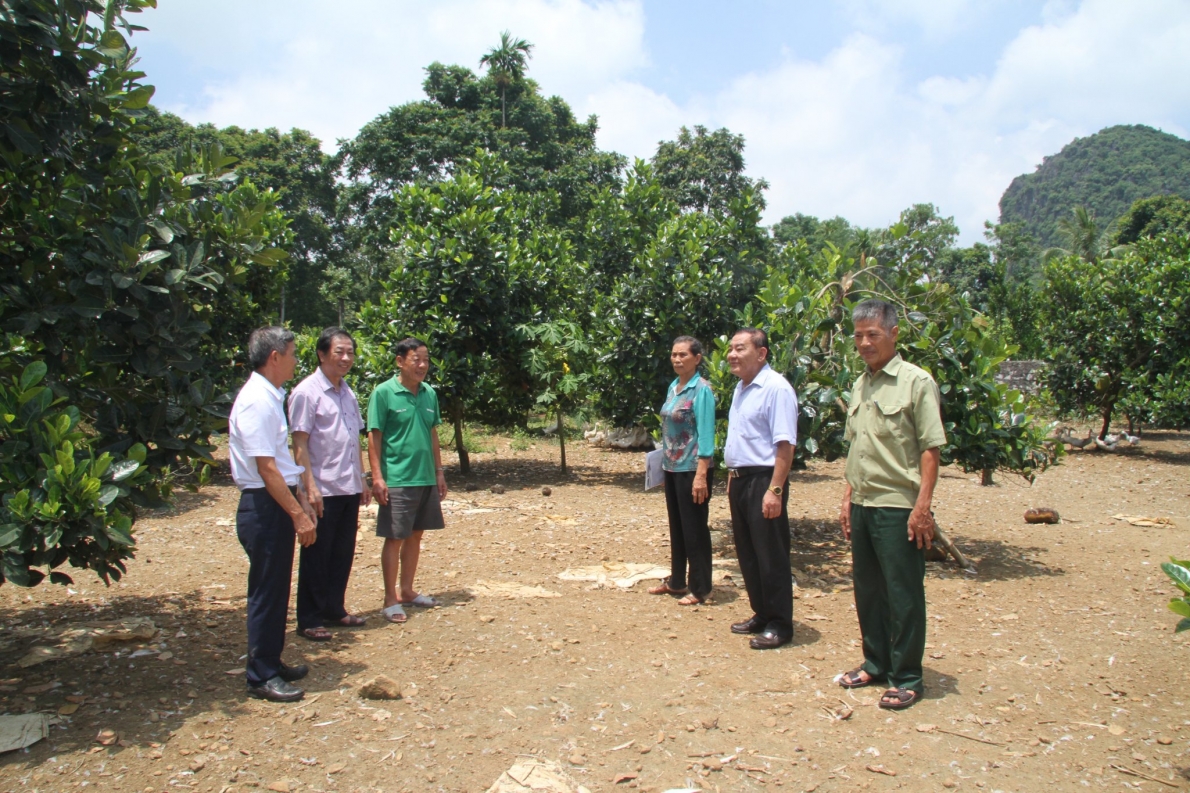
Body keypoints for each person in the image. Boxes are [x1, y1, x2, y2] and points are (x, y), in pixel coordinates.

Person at [837, 299, 947, 710]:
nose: (864, 344)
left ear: (894, 334)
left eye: (873, 335)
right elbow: (857, 448)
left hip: (899, 506)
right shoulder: (861, 384)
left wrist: (923, 509)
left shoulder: (916, 382)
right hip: (864, 502)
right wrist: (848, 498)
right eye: (859, 336)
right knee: (868, 590)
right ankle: (875, 662)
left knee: (902, 593)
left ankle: (907, 676)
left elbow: (930, 450)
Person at [228, 326, 317, 702]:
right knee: (266, 591)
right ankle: (260, 675)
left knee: (278, 586)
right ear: (275, 357)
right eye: (293, 354)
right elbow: (266, 469)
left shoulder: (270, 395)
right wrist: (298, 514)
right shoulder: (256, 400)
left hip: (273, 501)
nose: (296, 361)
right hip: (264, 505)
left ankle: (270, 659)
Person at [289, 327, 370, 642]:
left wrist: (361, 479)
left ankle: (334, 609)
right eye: (339, 352)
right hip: (322, 488)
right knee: (317, 554)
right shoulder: (306, 392)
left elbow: (355, 441)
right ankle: (308, 617)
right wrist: (308, 488)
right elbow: (299, 444)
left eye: (350, 352)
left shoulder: (347, 392)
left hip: (347, 486)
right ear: (322, 355)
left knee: (342, 551)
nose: (346, 358)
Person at [723, 328, 799, 650]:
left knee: (771, 555)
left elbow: (785, 444)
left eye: (740, 348)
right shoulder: (741, 389)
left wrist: (775, 490)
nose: (732, 355)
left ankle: (781, 624)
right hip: (740, 480)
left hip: (764, 481)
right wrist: (731, 478)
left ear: (762, 353)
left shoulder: (776, 388)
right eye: (731, 349)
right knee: (749, 553)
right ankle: (762, 612)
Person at [367, 337, 448, 625]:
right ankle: (390, 599)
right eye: (417, 359)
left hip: (425, 476)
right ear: (400, 361)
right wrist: (377, 477)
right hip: (398, 478)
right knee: (396, 536)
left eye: (426, 359)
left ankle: (408, 590)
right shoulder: (384, 393)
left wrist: (439, 472)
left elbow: (433, 433)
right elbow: (374, 436)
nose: (423, 365)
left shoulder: (429, 394)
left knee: (416, 534)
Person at [649, 336, 716, 605]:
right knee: (677, 526)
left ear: (697, 358)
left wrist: (702, 474)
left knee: (695, 528)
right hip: (672, 468)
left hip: (693, 469)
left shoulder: (702, 390)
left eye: (683, 355)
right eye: (674, 354)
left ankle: (701, 588)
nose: (677, 359)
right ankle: (677, 581)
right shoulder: (673, 387)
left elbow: (707, 434)